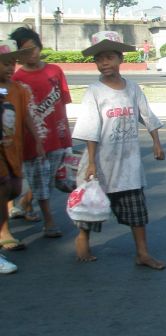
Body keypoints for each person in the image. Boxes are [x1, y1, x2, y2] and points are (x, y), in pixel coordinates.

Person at [72, 31, 166, 269]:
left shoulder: (132, 89)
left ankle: (142, 253)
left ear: (120, 59)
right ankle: (83, 237)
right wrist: (91, 162)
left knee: (136, 209)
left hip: (128, 162)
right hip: (101, 162)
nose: (104, 63)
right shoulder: (94, 91)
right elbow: (90, 128)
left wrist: (156, 141)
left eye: (109, 57)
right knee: (92, 204)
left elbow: (147, 115)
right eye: (99, 59)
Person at [10, 27, 72, 238]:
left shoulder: (55, 71)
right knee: (41, 179)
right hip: (33, 140)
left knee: (49, 178)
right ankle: (49, 222)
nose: (31, 54)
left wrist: (66, 135)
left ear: (40, 46)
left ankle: (26, 202)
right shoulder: (16, 78)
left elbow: (63, 102)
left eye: (33, 48)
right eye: (25, 51)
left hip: (58, 135)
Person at [0, 39, 44, 272]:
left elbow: (25, 116)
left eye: (12, 63)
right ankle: (3, 233)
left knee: (14, 189)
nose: (10, 67)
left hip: (13, 151)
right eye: (5, 63)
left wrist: (37, 140)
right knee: (3, 189)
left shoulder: (16, 89)